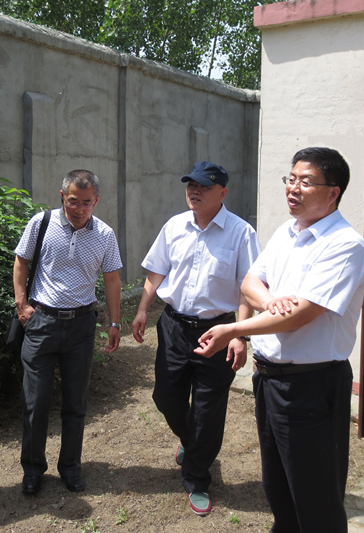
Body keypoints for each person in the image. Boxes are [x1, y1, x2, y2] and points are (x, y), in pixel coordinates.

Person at [196, 148, 364, 533]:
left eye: (305, 182)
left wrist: (234, 330)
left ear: (333, 192)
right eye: (290, 179)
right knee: (278, 487)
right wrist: (272, 302)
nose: (293, 188)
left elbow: (301, 315)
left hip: (312, 385)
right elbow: (249, 282)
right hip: (270, 381)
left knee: (315, 496)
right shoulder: (285, 234)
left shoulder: (345, 245)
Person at [131, 161, 260, 516]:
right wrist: (142, 309)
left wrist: (240, 334)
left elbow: (247, 288)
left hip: (217, 332)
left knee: (207, 410)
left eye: (204, 186)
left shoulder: (241, 233)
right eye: (191, 185)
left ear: (223, 193)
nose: (195, 191)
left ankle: (197, 478)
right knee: (165, 396)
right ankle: (191, 442)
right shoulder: (174, 226)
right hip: (173, 327)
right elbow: (156, 271)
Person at [14, 170, 122, 495]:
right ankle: (33, 469)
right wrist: (21, 305)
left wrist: (115, 323)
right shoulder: (41, 223)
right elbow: (21, 261)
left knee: (76, 403)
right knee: (35, 402)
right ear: (63, 196)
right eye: (73, 201)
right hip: (41, 323)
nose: (79, 209)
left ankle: (70, 467)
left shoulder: (104, 234)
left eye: (86, 203)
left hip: (81, 326)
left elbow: (112, 279)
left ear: (96, 201)